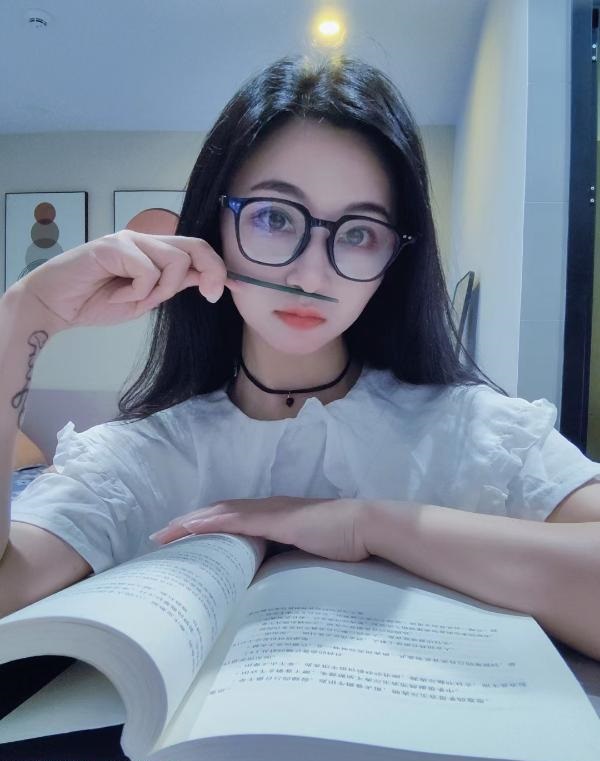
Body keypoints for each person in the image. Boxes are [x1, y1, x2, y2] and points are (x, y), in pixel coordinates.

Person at [1, 55, 599, 662]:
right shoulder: (139, 461)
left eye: (360, 232)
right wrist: (24, 315)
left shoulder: (473, 433)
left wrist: (365, 524)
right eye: (274, 217)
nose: (312, 275)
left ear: (394, 260)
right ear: (215, 227)